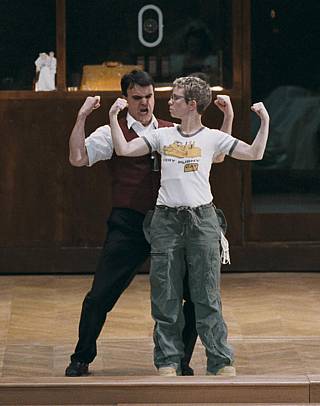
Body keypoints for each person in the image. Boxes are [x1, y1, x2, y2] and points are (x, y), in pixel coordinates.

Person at [65, 70, 234, 377]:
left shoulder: (174, 129)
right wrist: (81, 118)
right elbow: (77, 157)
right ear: (125, 98)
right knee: (100, 295)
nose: (145, 104)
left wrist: (227, 117)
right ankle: (81, 356)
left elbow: (217, 150)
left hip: (172, 225)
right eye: (137, 98)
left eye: (149, 97)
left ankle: (178, 358)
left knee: (198, 295)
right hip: (129, 225)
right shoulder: (111, 131)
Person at [108, 76, 269, 376]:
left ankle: (220, 359)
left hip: (202, 220)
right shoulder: (163, 136)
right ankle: (168, 359)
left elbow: (253, 153)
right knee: (165, 293)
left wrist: (263, 120)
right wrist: (113, 118)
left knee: (206, 294)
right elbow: (124, 150)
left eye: (176, 98)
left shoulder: (210, 138)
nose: (168, 102)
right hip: (166, 221)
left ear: (192, 104)